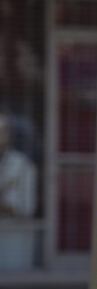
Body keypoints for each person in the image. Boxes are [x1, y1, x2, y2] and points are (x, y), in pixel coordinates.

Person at [0, 113, 38, 270]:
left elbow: (27, 209)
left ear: (8, 135)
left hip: (13, 246)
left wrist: (8, 207)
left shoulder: (22, 165)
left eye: (2, 131)